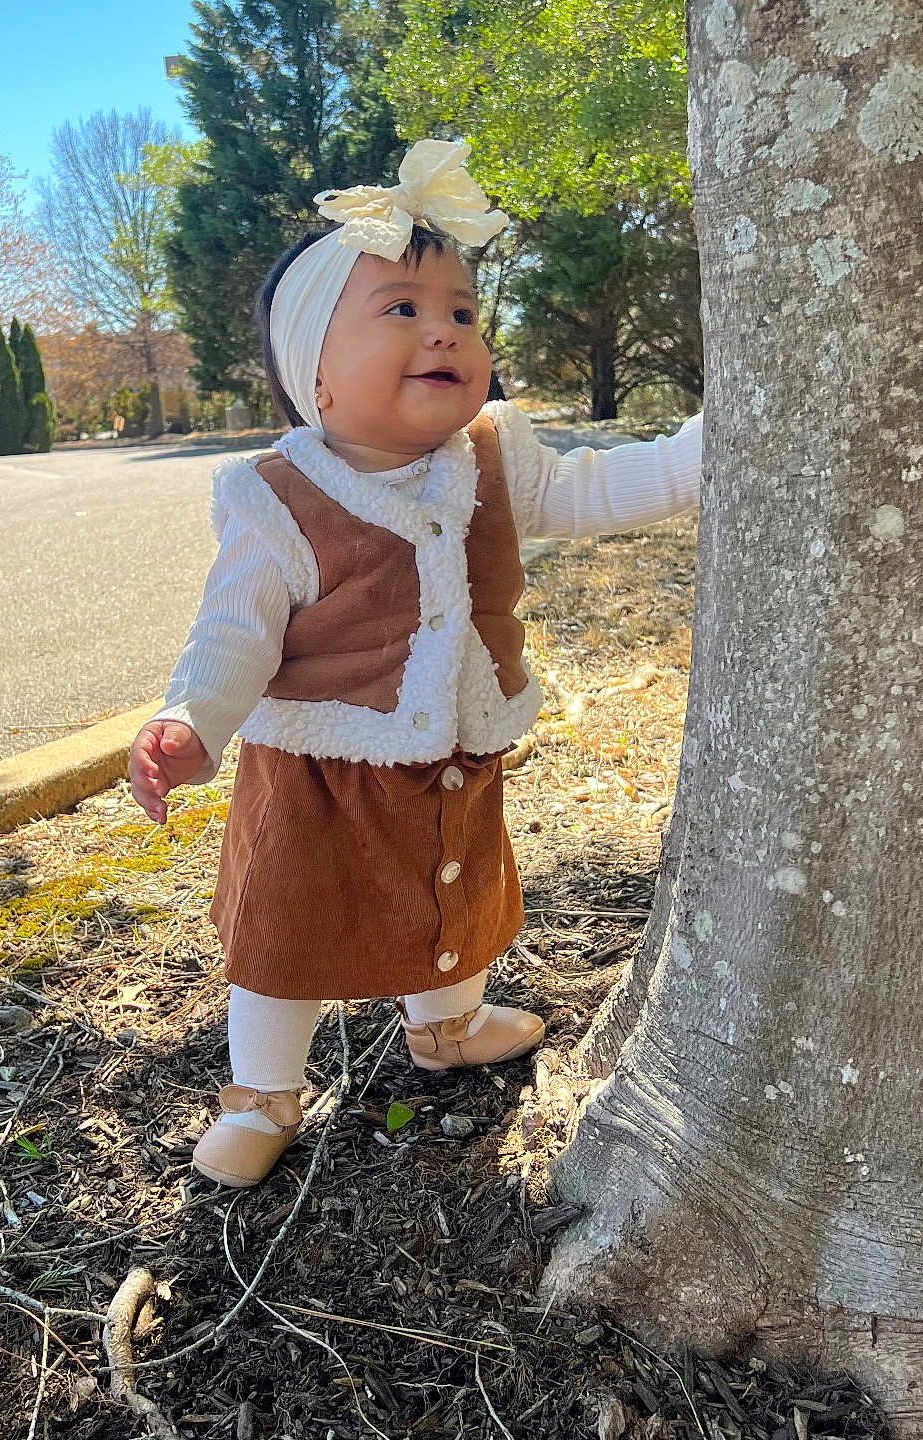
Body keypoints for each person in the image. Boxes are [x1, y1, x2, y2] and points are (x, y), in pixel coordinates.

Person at [129, 139, 703, 1188]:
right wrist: (191, 722)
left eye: (463, 313)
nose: (445, 329)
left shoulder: (492, 457)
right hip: (320, 769)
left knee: (456, 897)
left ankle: (445, 1025)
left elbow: (598, 491)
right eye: (401, 309)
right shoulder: (278, 497)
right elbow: (234, 631)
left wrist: (705, 450)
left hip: (452, 751)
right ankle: (264, 1093)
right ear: (314, 376)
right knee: (286, 934)